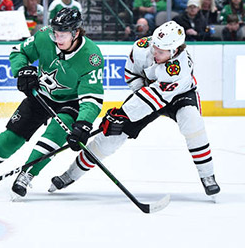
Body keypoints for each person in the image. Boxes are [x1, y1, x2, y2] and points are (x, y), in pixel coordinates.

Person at [48, 21, 221, 198]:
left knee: (192, 123)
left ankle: (207, 176)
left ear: (174, 51)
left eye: (161, 52)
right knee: (110, 137)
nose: (155, 53)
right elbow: (131, 74)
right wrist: (131, 105)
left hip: (179, 95)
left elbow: (156, 96)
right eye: (155, 47)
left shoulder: (180, 67)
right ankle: (70, 174)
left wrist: (123, 113)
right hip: (147, 94)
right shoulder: (141, 48)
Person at [0, 8, 105, 198]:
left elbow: (91, 98)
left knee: (54, 134)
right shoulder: (44, 37)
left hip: (72, 101)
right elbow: (18, 52)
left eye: (62, 35)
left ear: (76, 33)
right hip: (41, 94)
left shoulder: (91, 57)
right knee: (11, 138)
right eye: (55, 33)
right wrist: (23, 70)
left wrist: (84, 123)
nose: (57, 39)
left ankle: (27, 174)